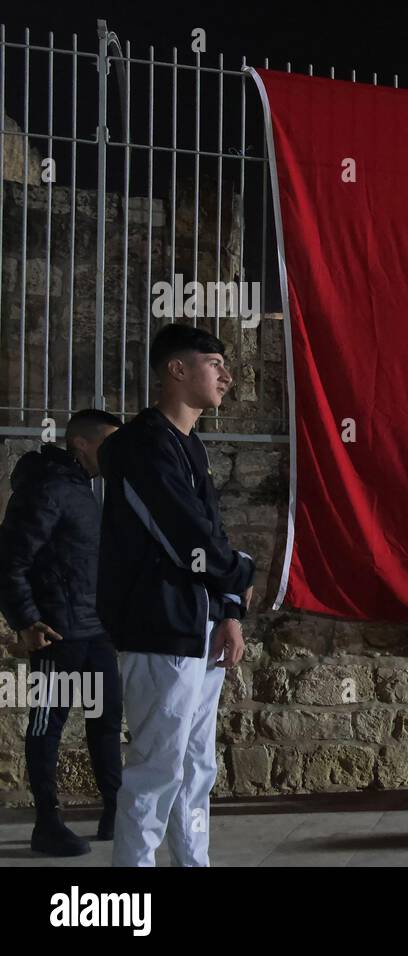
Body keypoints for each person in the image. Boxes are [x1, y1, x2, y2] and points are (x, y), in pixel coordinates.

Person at [97, 323, 256, 867]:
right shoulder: (139, 446)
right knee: (155, 772)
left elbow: (212, 530)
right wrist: (242, 573)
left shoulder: (192, 447)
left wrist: (229, 612)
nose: (227, 376)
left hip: (199, 632)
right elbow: (185, 537)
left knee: (195, 772)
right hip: (159, 629)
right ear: (177, 370)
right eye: (215, 363)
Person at [0, 409, 122, 856]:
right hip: (57, 634)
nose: (115, 453)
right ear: (81, 444)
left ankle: (114, 811)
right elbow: (11, 561)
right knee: (47, 725)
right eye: (108, 443)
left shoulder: (82, 488)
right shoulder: (47, 488)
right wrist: (27, 622)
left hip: (95, 632)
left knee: (106, 723)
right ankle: (46, 823)